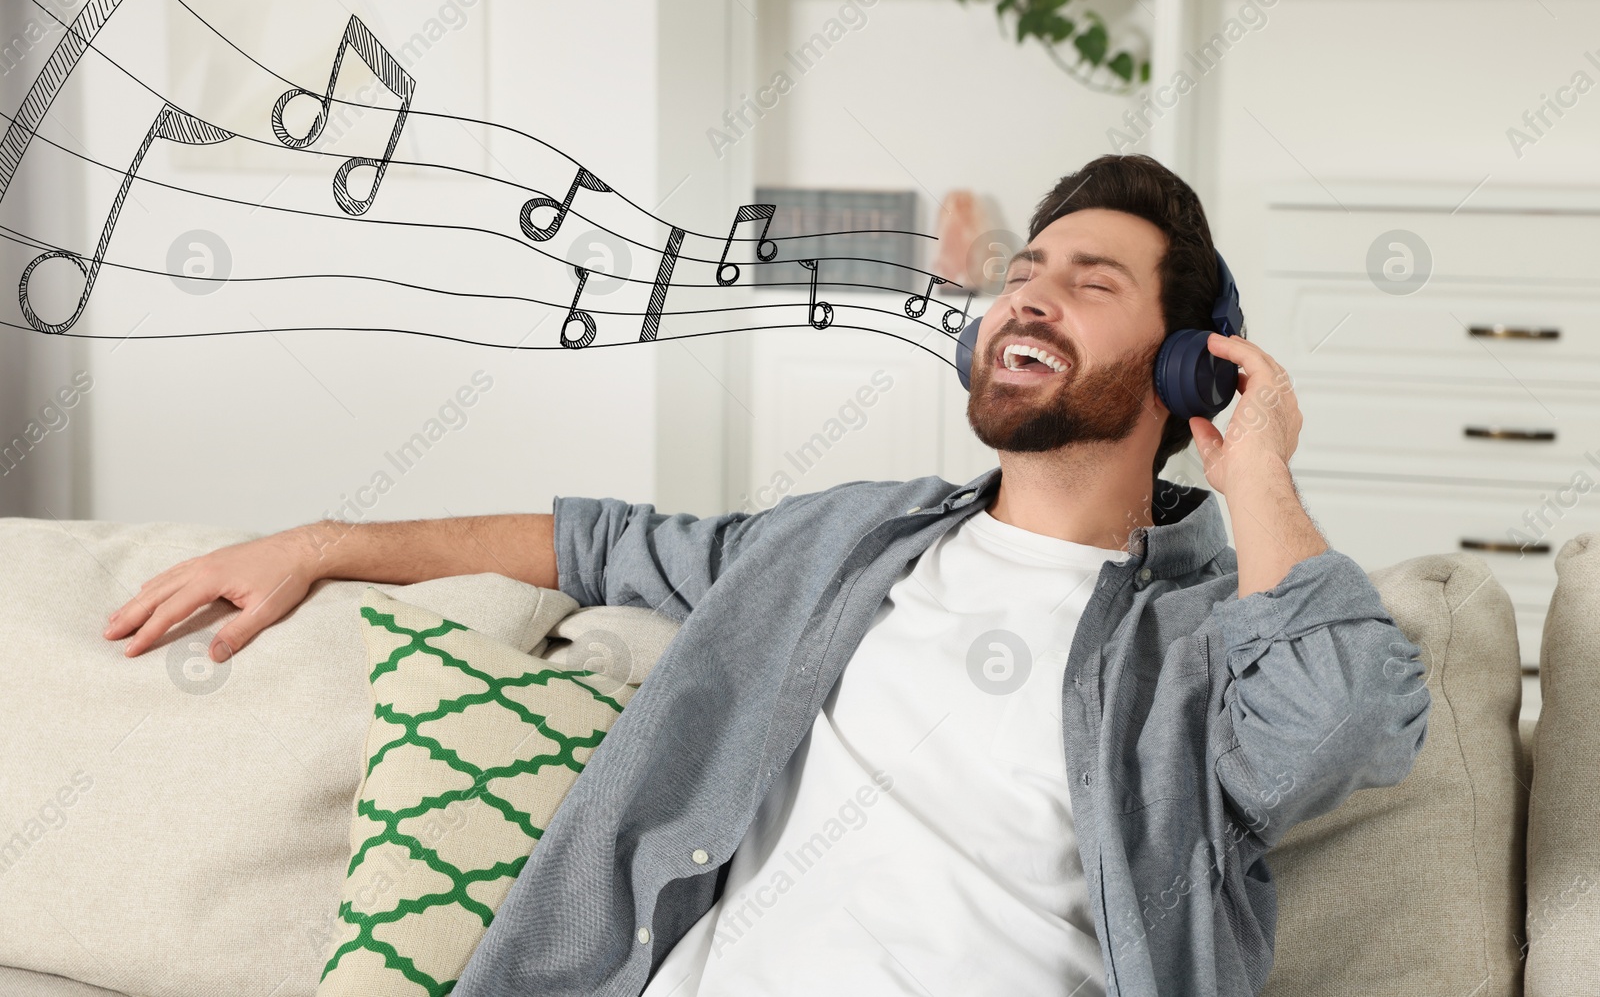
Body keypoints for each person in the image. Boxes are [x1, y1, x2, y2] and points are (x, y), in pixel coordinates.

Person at [105, 153, 1431, 997]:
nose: (1030, 297)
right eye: (1024, 273)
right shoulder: (838, 541)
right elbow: (598, 541)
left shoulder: (1208, 626)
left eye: (1090, 284)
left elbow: (1343, 731)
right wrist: (318, 547)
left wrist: (1253, 463)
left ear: (1189, 358)